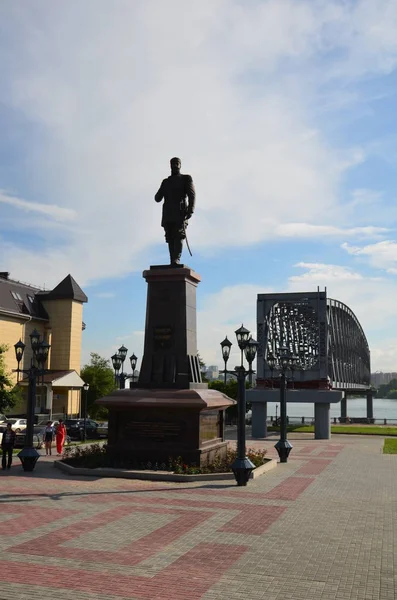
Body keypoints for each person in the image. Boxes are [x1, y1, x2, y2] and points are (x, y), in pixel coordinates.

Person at [155, 157, 196, 265]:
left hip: (180, 211)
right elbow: (157, 198)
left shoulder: (186, 178)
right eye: (173, 163)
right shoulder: (166, 182)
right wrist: (163, 189)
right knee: (169, 237)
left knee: (178, 235)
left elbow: (192, 195)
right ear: (170, 165)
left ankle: (176, 259)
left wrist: (190, 210)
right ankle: (172, 259)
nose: (175, 165)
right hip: (168, 212)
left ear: (180, 165)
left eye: (177, 163)